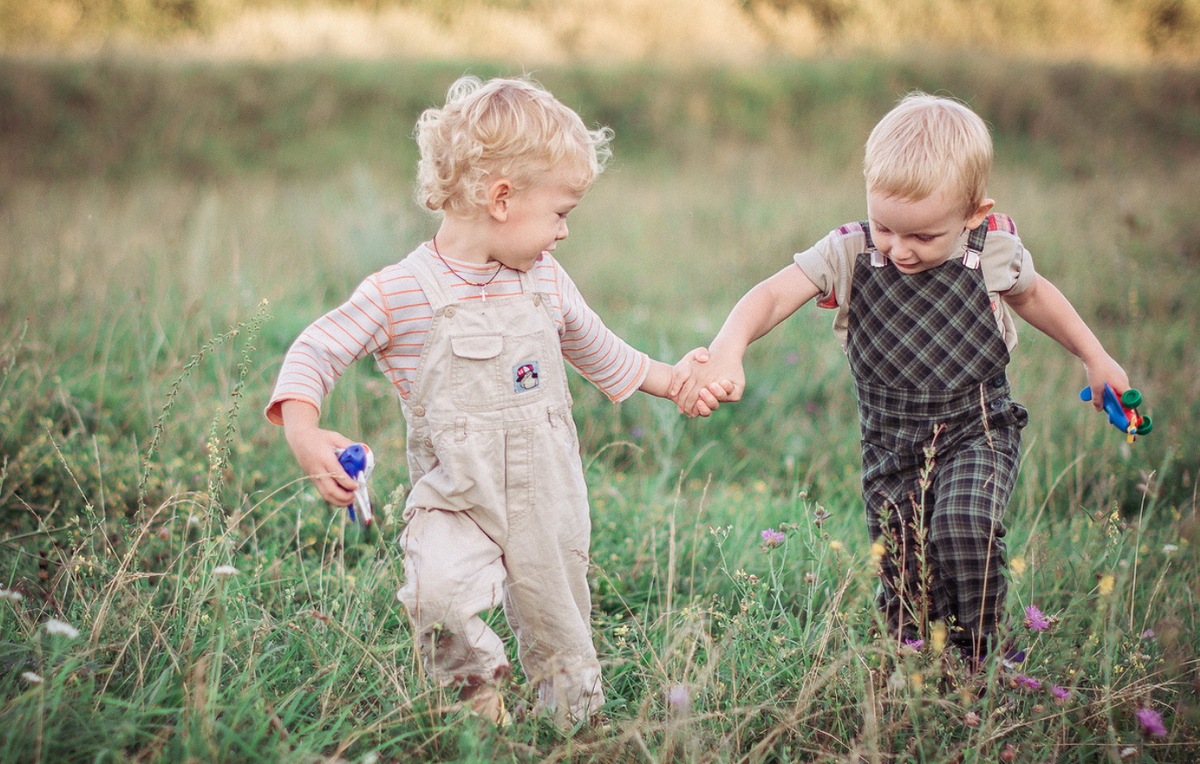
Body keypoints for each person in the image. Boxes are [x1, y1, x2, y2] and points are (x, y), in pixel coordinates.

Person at [266, 75, 724, 726]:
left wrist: (674, 379)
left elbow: (603, 351)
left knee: (560, 620)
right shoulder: (403, 291)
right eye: (560, 213)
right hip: (453, 493)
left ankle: (574, 727)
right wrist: (303, 430)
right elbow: (317, 349)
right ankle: (475, 690)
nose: (564, 233)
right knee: (434, 594)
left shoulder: (546, 280)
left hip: (548, 493)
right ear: (503, 198)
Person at [674, 92, 1130, 661]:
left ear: (973, 215)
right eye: (886, 226)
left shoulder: (990, 251)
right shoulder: (851, 251)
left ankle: (981, 659)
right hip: (891, 445)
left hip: (976, 428)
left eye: (923, 237)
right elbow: (771, 295)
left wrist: (1095, 355)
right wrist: (726, 348)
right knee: (904, 569)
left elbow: (1035, 297)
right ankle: (917, 668)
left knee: (965, 526)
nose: (900, 250)